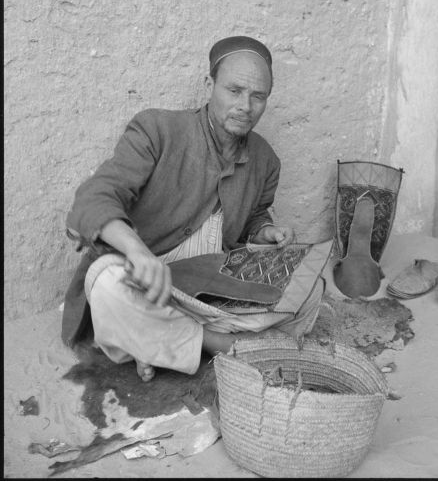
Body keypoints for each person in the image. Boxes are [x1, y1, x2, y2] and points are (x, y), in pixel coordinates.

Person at [62, 36, 300, 381]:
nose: (245, 105)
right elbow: (92, 199)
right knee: (106, 283)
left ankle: (149, 343)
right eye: (234, 91)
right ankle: (211, 342)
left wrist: (266, 233)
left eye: (258, 96)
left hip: (207, 289)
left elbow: (254, 219)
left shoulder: (266, 161)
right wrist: (138, 252)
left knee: (300, 292)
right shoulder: (157, 129)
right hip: (144, 279)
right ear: (209, 85)